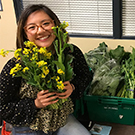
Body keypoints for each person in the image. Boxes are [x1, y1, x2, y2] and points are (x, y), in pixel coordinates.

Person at [0, 4, 92, 135]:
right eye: (32, 27)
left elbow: (85, 76)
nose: (41, 30)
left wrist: (73, 87)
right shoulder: (16, 65)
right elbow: (2, 108)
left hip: (62, 119)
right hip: (29, 126)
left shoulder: (70, 52)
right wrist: (35, 104)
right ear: (25, 34)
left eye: (46, 23)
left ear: (56, 25)